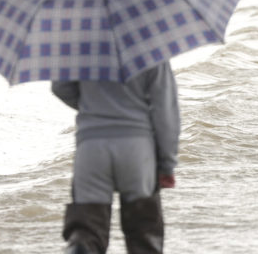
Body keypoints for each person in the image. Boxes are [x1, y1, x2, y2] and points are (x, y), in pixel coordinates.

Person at [52, 62, 180, 254]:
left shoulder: (80, 44)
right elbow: (166, 113)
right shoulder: (152, 50)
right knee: (144, 235)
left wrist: (90, 105)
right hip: (137, 149)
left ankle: (80, 247)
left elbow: (60, 87)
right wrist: (167, 164)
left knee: (86, 232)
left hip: (92, 147)